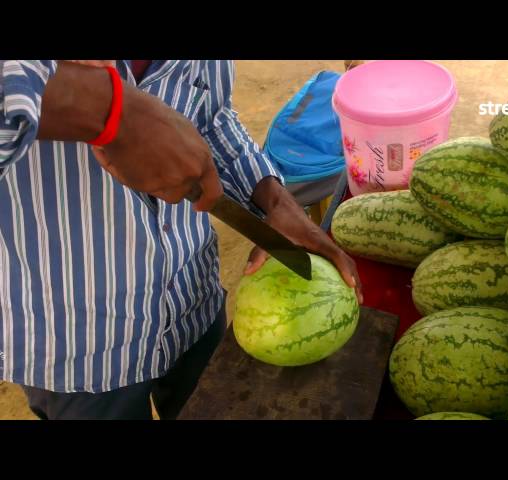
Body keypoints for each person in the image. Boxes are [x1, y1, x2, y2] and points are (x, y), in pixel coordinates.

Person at [0, 60, 362, 420]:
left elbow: (210, 115)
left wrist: (273, 197)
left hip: (193, 302)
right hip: (77, 344)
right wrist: (110, 110)